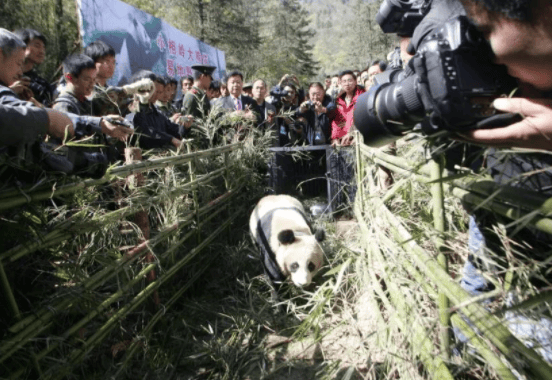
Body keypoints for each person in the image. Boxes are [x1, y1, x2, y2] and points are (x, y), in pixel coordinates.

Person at [0, 29, 131, 143]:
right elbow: (56, 128)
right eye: (18, 63)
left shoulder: (84, 100)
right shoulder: (64, 104)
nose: (19, 72)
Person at [126, 70, 192, 150]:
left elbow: (173, 130)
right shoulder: (131, 111)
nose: (157, 96)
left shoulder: (157, 114)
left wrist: (185, 126)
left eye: (159, 92)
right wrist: (169, 139)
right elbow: (144, 133)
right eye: (155, 91)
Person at [12, 28, 53, 106]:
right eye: (37, 46)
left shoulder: (41, 85)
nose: (42, 51)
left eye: (43, 47)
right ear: (21, 46)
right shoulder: (5, 78)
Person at [329, 70, 365, 146]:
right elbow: (337, 123)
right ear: (341, 83)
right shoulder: (339, 101)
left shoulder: (363, 97)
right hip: (344, 142)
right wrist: (335, 138)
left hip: (359, 139)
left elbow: (363, 118)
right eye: (344, 81)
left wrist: (352, 133)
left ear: (355, 81)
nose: (347, 84)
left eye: (350, 80)